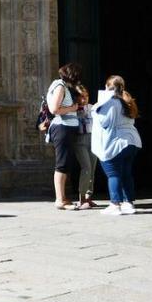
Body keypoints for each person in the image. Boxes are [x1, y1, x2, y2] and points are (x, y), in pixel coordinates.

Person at [93, 75, 143, 216]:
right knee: (126, 173)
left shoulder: (110, 103)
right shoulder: (126, 101)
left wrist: (96, 109)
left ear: (107, 87)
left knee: (113, 174)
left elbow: (104, 122)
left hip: (116, 142)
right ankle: (129, 203)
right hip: (132, 141)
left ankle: (115, 204)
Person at [46, 63, 84, 210]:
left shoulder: (63, 86)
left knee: (66, 163)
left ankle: (63, 198)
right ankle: (60, 199)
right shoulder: (60, 86)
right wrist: (73, 108)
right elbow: (54, 109)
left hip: (67, 128)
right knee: (62, 163)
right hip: (62, 128)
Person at [73, 86, 99, 210]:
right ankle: (81, 197)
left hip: (93, 139)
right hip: (80, 139)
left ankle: (89, 196)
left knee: (92, 168)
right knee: (86, 167)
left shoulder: (92, 108)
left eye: (86, 96)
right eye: (81, 96)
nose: (84, 99)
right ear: (76, 97)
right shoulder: (73, 109)